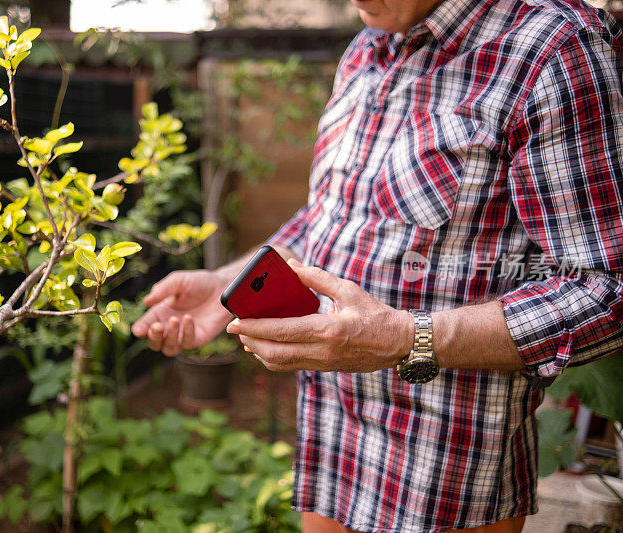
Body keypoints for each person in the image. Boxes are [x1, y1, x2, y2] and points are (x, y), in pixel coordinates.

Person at [132, 0, 623, 531]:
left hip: (445, 473)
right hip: (331, 443)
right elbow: (335, 215)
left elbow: (605, 288)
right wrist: (226, 280)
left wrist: (405, 338)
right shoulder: (366, 47)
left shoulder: (551, 51)